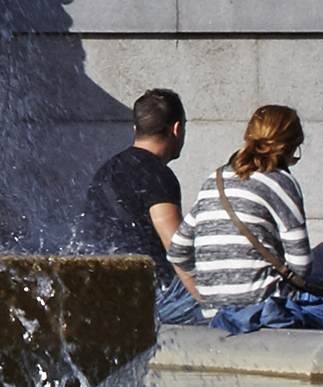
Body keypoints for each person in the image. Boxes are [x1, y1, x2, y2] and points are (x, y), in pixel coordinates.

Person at [175, 104, 315, 330]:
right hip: (263, 310)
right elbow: (301, 266)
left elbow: (177, 251)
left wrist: (210, 294)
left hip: (215, 313)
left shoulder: (215, 180)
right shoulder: (281, 182)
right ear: (289, 147)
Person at [78, 86, 195, 316]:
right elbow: (176, 248)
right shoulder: (157, 175)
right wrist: (209, 301)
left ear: (136, 128)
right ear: (177, 128)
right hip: (152, 295)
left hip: (106, 291)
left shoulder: (105, 171)